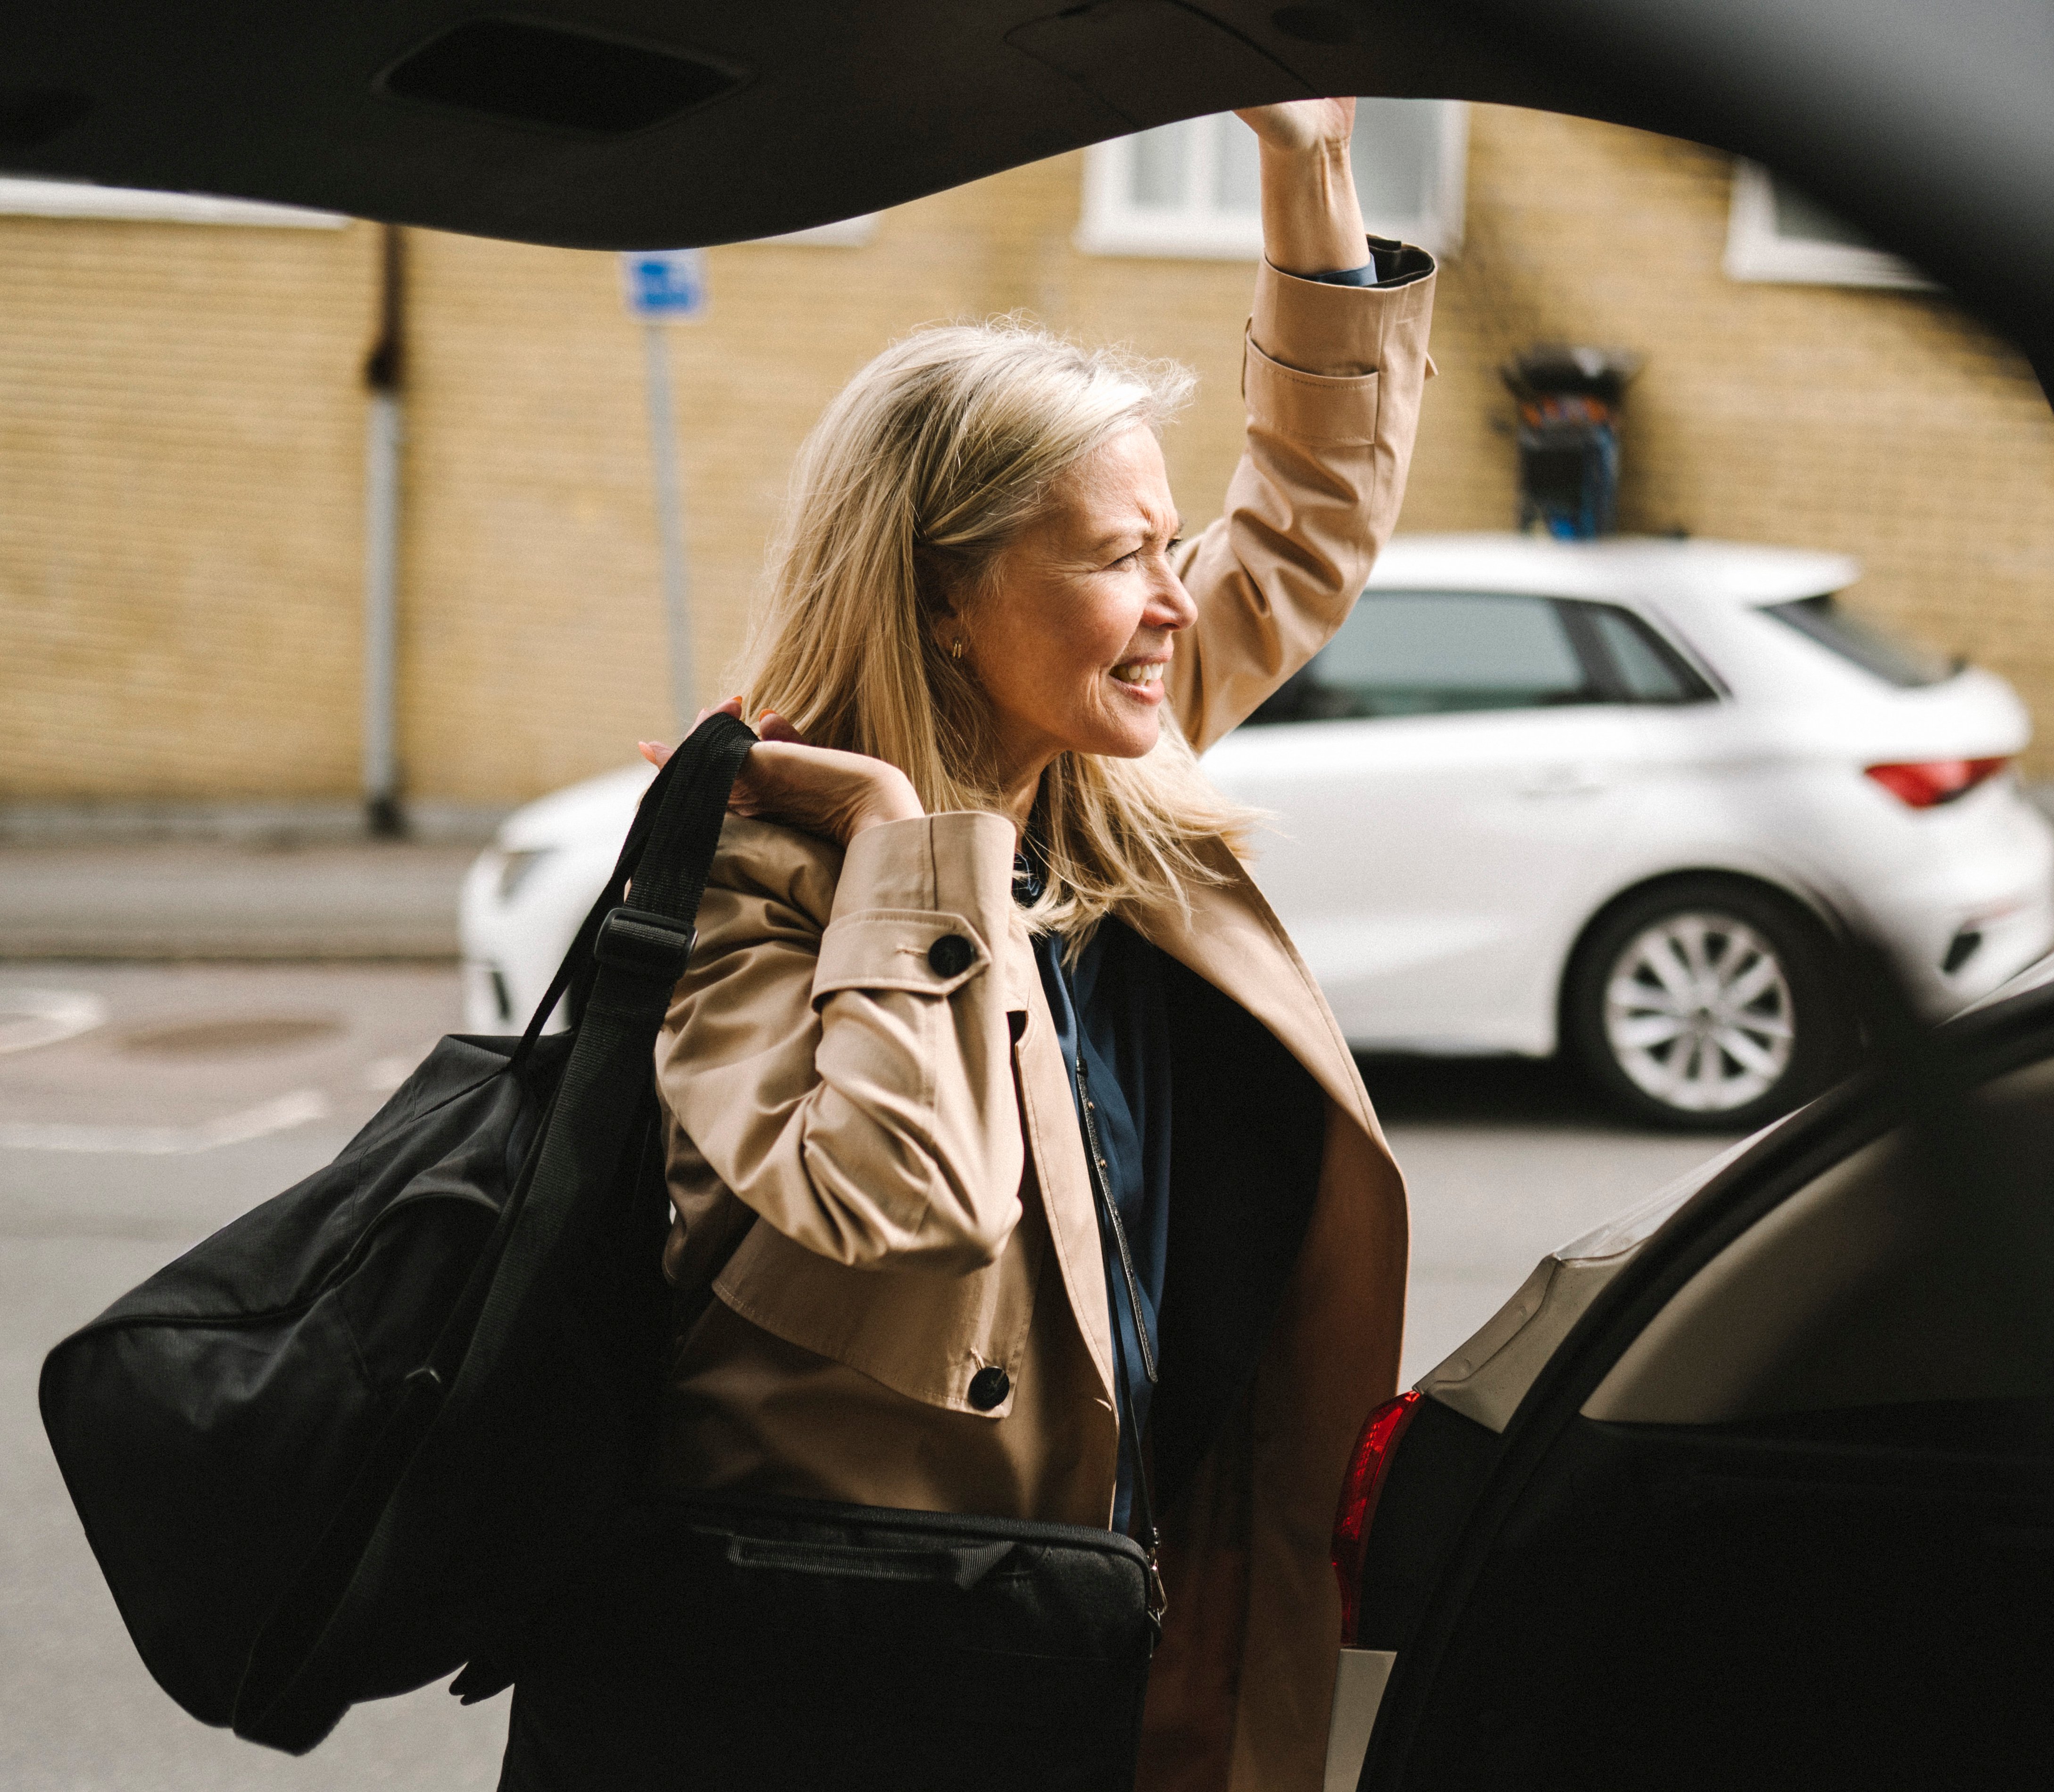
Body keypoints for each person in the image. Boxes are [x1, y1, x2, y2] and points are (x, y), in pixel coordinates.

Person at [505, 99, 1432, 1791]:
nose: (1175, 601)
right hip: (841, 1694)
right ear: (943, 596)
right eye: (1115, 557)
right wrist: (895, 848)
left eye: (1171, 551)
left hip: (1105, 1624)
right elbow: (881, 1214)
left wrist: (1304, 164)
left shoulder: (1097, 767)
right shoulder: (751, 879)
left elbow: (1310, 506)